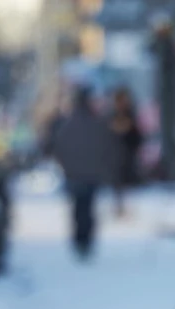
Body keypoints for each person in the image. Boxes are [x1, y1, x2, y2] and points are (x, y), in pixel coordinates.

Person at [52, 86, 121, 260]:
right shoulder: (97, 124)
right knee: (87, 208)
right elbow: (108, 148)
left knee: (79, 208)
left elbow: (59, 148)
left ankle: (80, 240)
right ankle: (85, 240)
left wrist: (67, 166)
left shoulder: (69, 124)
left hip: (76, 175)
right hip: (91, 175)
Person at [108, 87, 143, 218]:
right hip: (115, 156)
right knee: (117, 183)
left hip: (128, 155)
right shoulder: (111, 115)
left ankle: (127, 210)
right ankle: (119, 208)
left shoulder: (131, 115)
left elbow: (137, 136)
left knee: (128, 183)